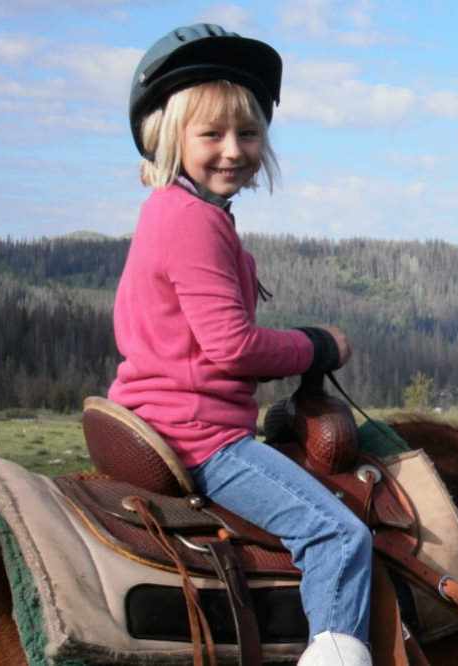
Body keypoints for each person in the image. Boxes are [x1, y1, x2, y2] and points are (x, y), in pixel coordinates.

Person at [109, 24, 373, 666]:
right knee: (340, 536)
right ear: (170, 137)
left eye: (248, 134)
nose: (233, 150)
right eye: (212, 134)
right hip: (198, 437)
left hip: (158, 416)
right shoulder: (192, 220)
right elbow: (231, 346)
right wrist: (317, 346)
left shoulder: (170, 210)